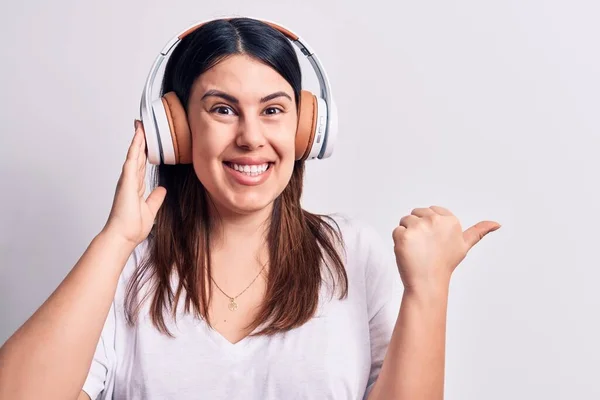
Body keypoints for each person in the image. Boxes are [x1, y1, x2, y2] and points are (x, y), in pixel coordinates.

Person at [0, 17, 500, 400]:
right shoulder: (124, 272)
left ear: (306, 130)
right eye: (222, 109)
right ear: (174, 129)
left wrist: (429, 289)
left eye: (273, 110)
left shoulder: (355, 256)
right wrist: (115, 241)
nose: (251, 137)